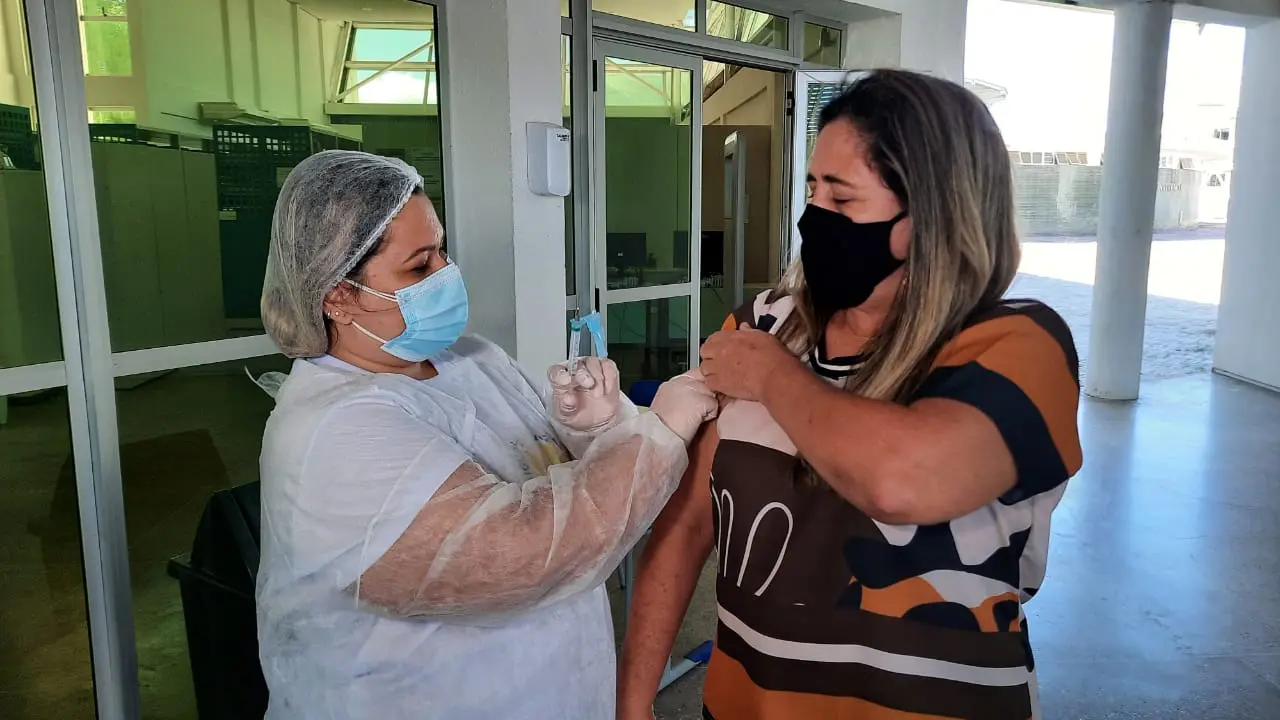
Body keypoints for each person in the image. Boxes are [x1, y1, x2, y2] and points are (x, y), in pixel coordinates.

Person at [618, 69, 1082, 720]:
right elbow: (688, 523)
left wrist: (775, 379)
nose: (816, 218)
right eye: (812, 190)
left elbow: (903, 483)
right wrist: (633, 704)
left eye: (843, 199)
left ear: (936, 213)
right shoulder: (764, 327)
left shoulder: (1019, 345)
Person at [254, 149, 718, 719]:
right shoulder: (334, 433)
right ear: (338, 297)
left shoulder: (471, 359)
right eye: (420, 266)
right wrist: (660, 433)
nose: (447, 274)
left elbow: (559, 473)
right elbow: (527, 555)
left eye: (442, 250)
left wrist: (600, 427)